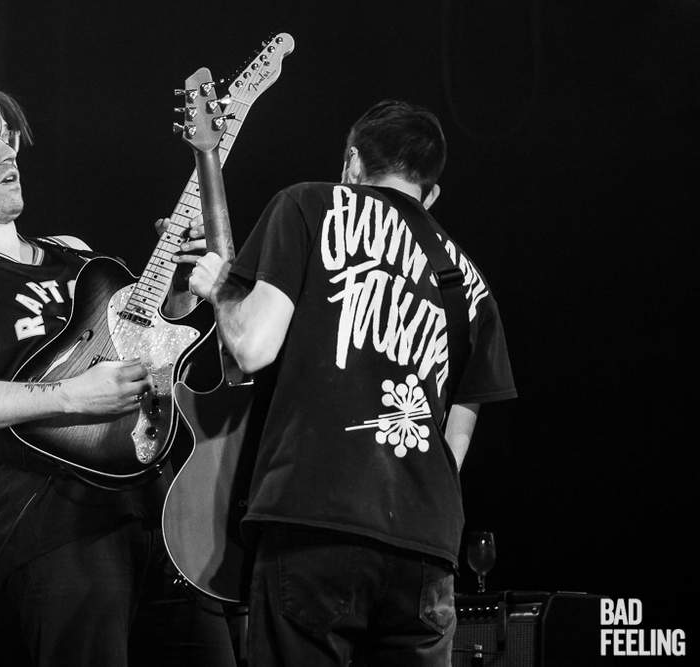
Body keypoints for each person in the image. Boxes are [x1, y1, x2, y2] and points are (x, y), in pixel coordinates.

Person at [0, 74, 233, 666]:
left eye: (8, 137)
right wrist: (71, 396)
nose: (8, 152)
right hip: (61, 520)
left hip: (167, 503)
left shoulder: (74, 251)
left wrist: (178, 289)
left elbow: (152, 350)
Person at [188, 99, 518, 666]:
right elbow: (455, 441)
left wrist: (221, 287)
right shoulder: (471, 284)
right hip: (427, 547)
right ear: (431, 192)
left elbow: (252, 348)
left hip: (315, 523)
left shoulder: (310, 204)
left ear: (354, 163)